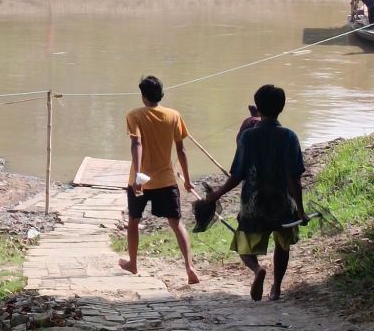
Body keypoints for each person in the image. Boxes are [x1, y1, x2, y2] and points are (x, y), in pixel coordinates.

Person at [208, 84, 307, 301]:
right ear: (281, 108)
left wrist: (216, 194)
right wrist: (300, 210)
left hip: (254, 204)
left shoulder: (248, 137)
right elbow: (294, 178)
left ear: (258, 109)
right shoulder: (289, 137)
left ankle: (257, 269)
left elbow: (237, 175)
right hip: (282, 203)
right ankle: (277, 288)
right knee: (283, 245)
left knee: (244, 245)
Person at [120, 75, 199, 285]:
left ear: (143, 96)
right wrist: (187, 180)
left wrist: (138, 176)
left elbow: (137, 144)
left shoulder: (134, 115)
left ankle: (133, 263)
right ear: (161, 94)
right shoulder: (174, 115)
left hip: (141, 180)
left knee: (134, 221)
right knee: (176, 223)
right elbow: (181, 150)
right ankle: (189, 267)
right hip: (166, 180)